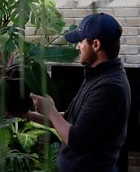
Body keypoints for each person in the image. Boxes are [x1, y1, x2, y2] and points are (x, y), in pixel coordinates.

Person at [23, 12, 131, 172]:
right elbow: (69, 120)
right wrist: (26, 114)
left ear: (96, 45)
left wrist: (50, 110)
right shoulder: (97, 75)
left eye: (81, 41)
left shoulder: (109, 87)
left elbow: (76, 140)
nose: (77, 46)